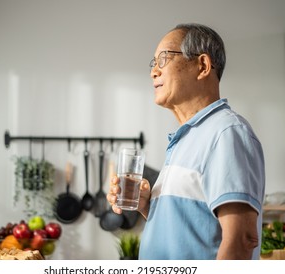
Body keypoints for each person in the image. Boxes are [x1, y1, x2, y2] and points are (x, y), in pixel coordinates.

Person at [107, 23, 265, 260]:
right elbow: (193, 229)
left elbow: (242, 239)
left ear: (202, 66)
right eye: (153, 64)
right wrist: (147, 206)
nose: (153, 72)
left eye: (163, 59)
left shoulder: (226, 132)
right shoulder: (186, 139)